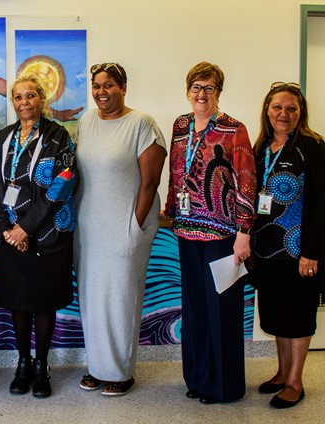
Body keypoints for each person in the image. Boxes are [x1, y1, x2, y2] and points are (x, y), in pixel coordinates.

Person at [164, 62, 256, 404]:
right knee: (196, 309)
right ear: (188, 90)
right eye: (196, 87)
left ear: (218, 92)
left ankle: (224, 386)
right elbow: (176, 172)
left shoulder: (234, 129)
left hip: (223, 237)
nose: (202, 95)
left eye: (209, 88)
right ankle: (199, 378)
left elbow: (247, 182)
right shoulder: (180, 125)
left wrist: (244, 232)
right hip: (187, 232)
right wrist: (171, 206)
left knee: (223, 311)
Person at [75, 63, 167, 396]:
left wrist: (135, 227)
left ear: (124, 87)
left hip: (125, 228)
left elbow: (151, 181)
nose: (101, 92)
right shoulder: (86, 120)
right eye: (96, 86)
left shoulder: (141, 124)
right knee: (93, 299)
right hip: (88, 228)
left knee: (120, 300)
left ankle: (121, 372)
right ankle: (98, 368)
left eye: (109, 85)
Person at [0, 75, 77, 398]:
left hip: (46, 236)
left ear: (42, 99)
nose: (24, 102)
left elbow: (63, 184)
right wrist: (8, 231)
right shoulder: (2, 137)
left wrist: (26, 228)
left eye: (30, 96)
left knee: (43, 302)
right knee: (19, 303)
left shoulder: (59, 137)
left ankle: (42, 366)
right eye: (18, 97)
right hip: (11, 238)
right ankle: (22, 363)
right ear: (12, 102)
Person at [250, 82, 325, 409]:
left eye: (291, 108)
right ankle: (281, 373)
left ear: (300, 113)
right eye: (277, 107)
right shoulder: (261, 146)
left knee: (298, 315)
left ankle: (295, 381)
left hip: (298, 251)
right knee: (278, 314)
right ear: (267, 110)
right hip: (266, 252)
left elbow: (323, 202)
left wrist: (311, 250)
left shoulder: (312, 146)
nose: (284, 114)